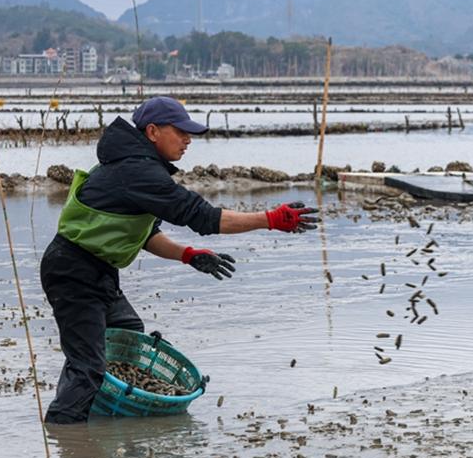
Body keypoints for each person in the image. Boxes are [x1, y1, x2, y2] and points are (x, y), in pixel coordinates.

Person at [40, 96, 319, 424]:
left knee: (127, 332)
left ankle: (100, 413)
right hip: (73, 271)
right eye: (181, 132)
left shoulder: (133, 166)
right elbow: (203, 217)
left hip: (95, 268)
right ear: (154, 131)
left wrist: (186, 255)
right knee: (87, 366)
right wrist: (269, 219)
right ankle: (64, 438)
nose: (188, 140)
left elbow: (142, 234)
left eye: (190, 133)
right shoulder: (137, 171)